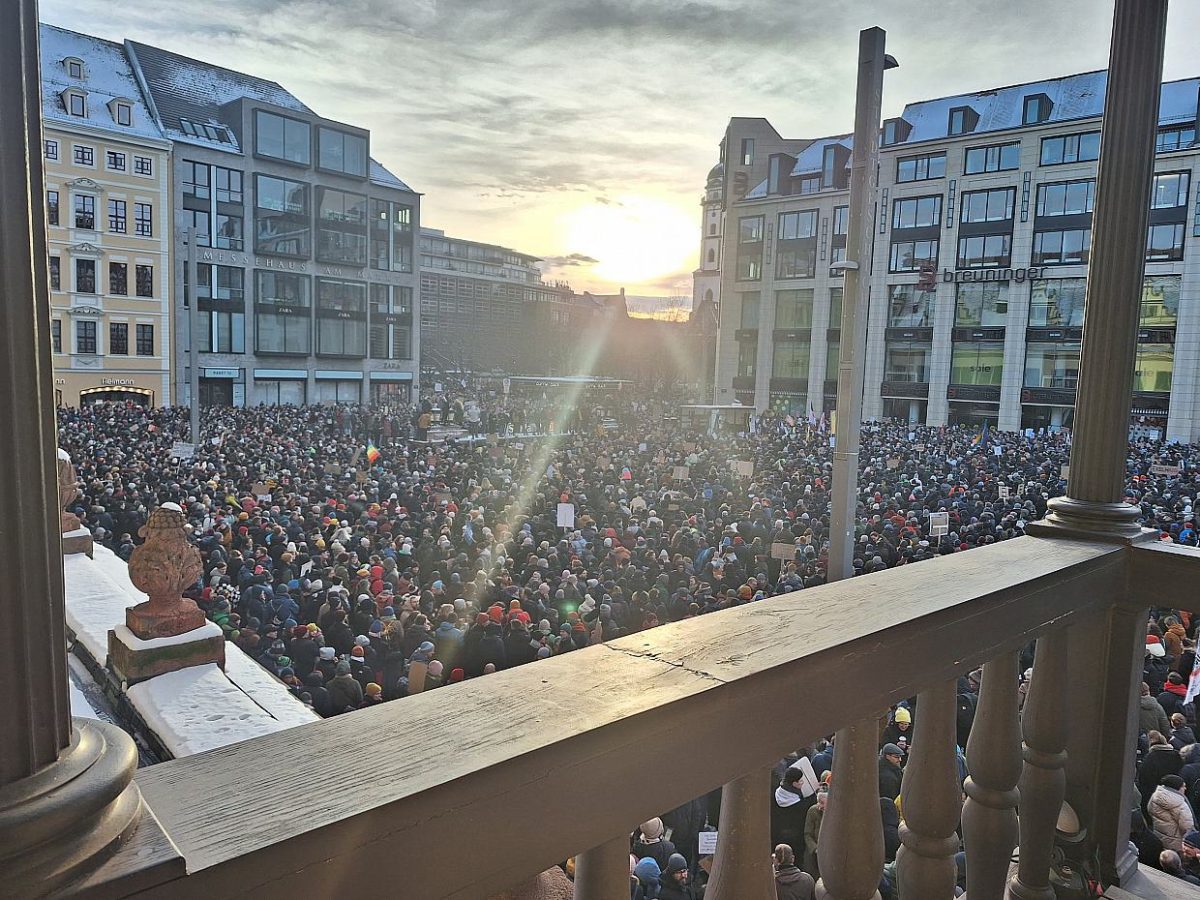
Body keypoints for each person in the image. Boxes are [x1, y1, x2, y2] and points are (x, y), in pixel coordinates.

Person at [1150, 774, 1196, 853]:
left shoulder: (1156, 795)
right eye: (1183, 786)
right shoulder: (1180, 804)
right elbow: (1187, 827)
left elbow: (1149, 810)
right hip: (1176, 843)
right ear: (1176, 788)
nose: (1185, 788)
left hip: (1160, 836)